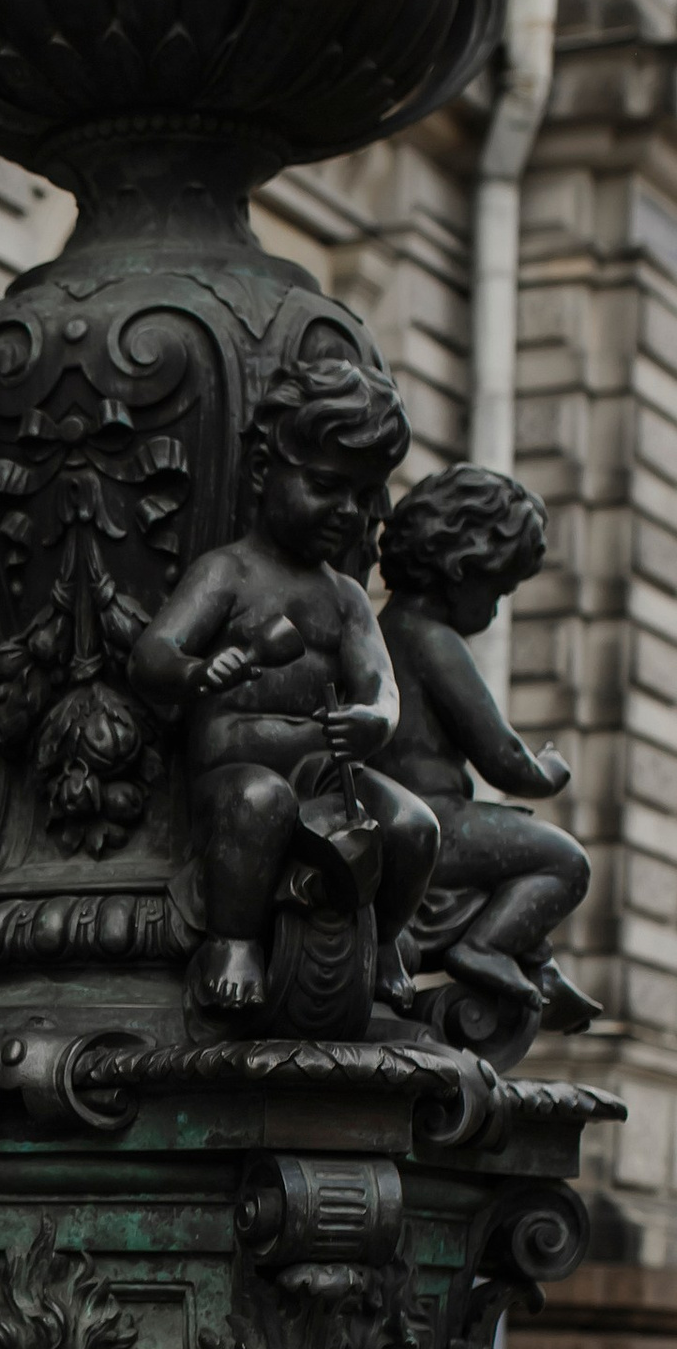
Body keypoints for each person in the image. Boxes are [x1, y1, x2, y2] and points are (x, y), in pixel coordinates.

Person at [131, 364, 439, 1019]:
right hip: (235, 771)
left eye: (364, 495)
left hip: (327, 775)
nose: (348, 511)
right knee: (258, 801)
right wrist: (194, 672)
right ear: (263, 469)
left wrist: (374, 720)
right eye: (326, 486)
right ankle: (234, 942)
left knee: (414, 826)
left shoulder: (347, 597)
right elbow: (153, 655)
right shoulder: (227, 572)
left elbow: (380, 685)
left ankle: (385, 941)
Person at [376, 462, 597, 1034]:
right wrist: (548, 771)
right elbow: (502, 757)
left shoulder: (384, 629)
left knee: (512, 838)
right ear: (463, 568)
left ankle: (540, 968)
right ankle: (486, 947)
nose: (496, 610)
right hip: (436, 824)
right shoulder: (435, 641)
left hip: (406, 819)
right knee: (565, 861)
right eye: (499, 591)